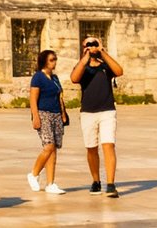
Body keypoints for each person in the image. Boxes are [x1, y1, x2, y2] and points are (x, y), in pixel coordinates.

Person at [70, 34, 124, 199]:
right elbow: (74, 78)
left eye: (94, 43)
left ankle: (111, 184)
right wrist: (85, 57)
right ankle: (95, 181)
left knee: (108, 145)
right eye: (88, 44)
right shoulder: (82, 67)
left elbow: (119, 71)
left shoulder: (105, 66)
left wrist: (102, 52)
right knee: (91, 148)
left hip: (107, 111)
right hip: (88, 113)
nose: (92, 46)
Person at [27, 49, 68, 196]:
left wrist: (63, 114)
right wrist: (35, 116)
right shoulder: (38, 77)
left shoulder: (55, 78)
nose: (54, 62)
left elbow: (59, 97)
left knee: (54, 150)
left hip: (56, 115)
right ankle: (34, 174)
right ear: (44, 61)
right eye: (52, 60)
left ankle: (51, 183)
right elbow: (33, 99)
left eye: (55, 59)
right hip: (43, 114)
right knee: (48, 146)